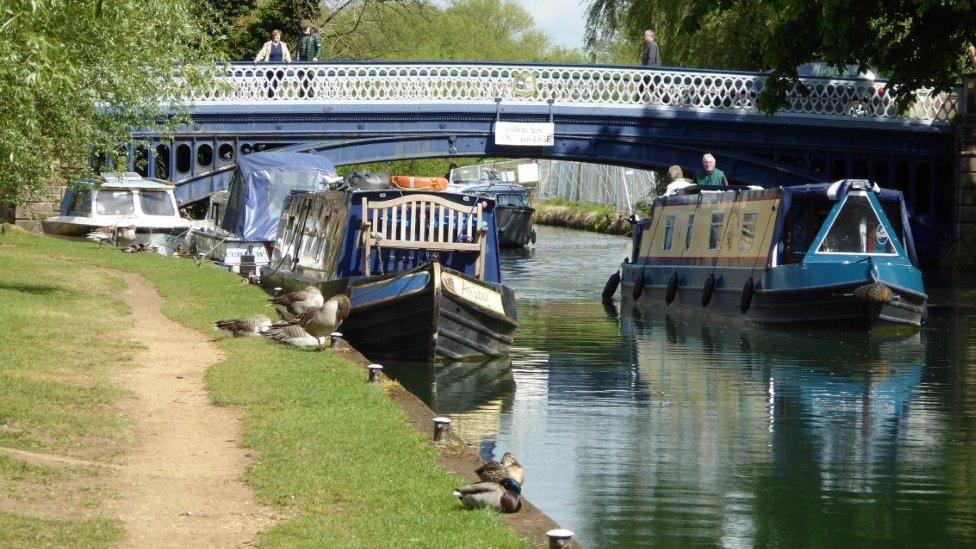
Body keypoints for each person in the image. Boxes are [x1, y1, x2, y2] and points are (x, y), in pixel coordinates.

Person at [254, 29, 292, 99]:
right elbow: (262, 54)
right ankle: (271, 98)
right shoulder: (267, 45)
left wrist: (288, 59)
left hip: (280, 68)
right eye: (276, 35)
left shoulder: (283, 45)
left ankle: (275, 97)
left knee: (278, 83)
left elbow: (287, 55)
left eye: (278, 35)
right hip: (270, 68)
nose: (277, 36)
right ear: (273, 36)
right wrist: (257, 58)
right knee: (270, 84)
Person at [296, 20, 322, 98]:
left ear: (309, 27)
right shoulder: (300, 37)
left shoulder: (315, 36)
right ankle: (302, 97)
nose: (303, 30)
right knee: (301, 80)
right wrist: (296, 59)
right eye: (302, 29)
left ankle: (311, 97)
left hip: (311, 62)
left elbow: (319, 48)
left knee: (311, 80)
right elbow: (298, 49)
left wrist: (316, 57)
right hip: (302, 62)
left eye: (305, 28)